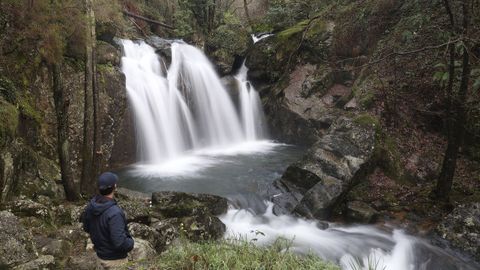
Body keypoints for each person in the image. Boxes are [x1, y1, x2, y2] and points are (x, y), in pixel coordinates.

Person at [82, 172, 134, 269]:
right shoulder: (115, 213)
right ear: (114, 187)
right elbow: (120, 243)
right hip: (115, 261)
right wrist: (131, 242)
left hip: (100, 256)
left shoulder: (91, 206)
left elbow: (86, 228)